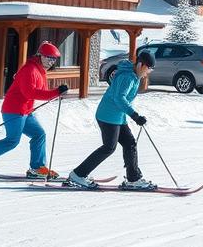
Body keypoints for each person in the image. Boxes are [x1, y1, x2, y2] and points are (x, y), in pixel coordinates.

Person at [0, 42, 68, 179]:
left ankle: (37, 168)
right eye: (48, 57)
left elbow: (42, 92)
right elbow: (30, 93)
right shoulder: (30, 70)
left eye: (54, 58)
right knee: (12, 140)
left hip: (26, 111)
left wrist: (57, 92)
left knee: (39, 134)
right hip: (14, 109)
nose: (51, 61)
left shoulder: (40, 71)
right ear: (40, 56)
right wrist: (55, 92)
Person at [66, 51, 156, 191]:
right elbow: (119, 98)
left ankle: (133, 178)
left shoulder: (133, 75)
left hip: (117, 117)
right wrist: (135, 115)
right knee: (109, 147)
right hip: (108, 116)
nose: (148, 72)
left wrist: (131, 115)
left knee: (129, 142)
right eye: (148, 68)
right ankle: (78, 174)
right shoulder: (127, 76)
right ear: (141, 64)